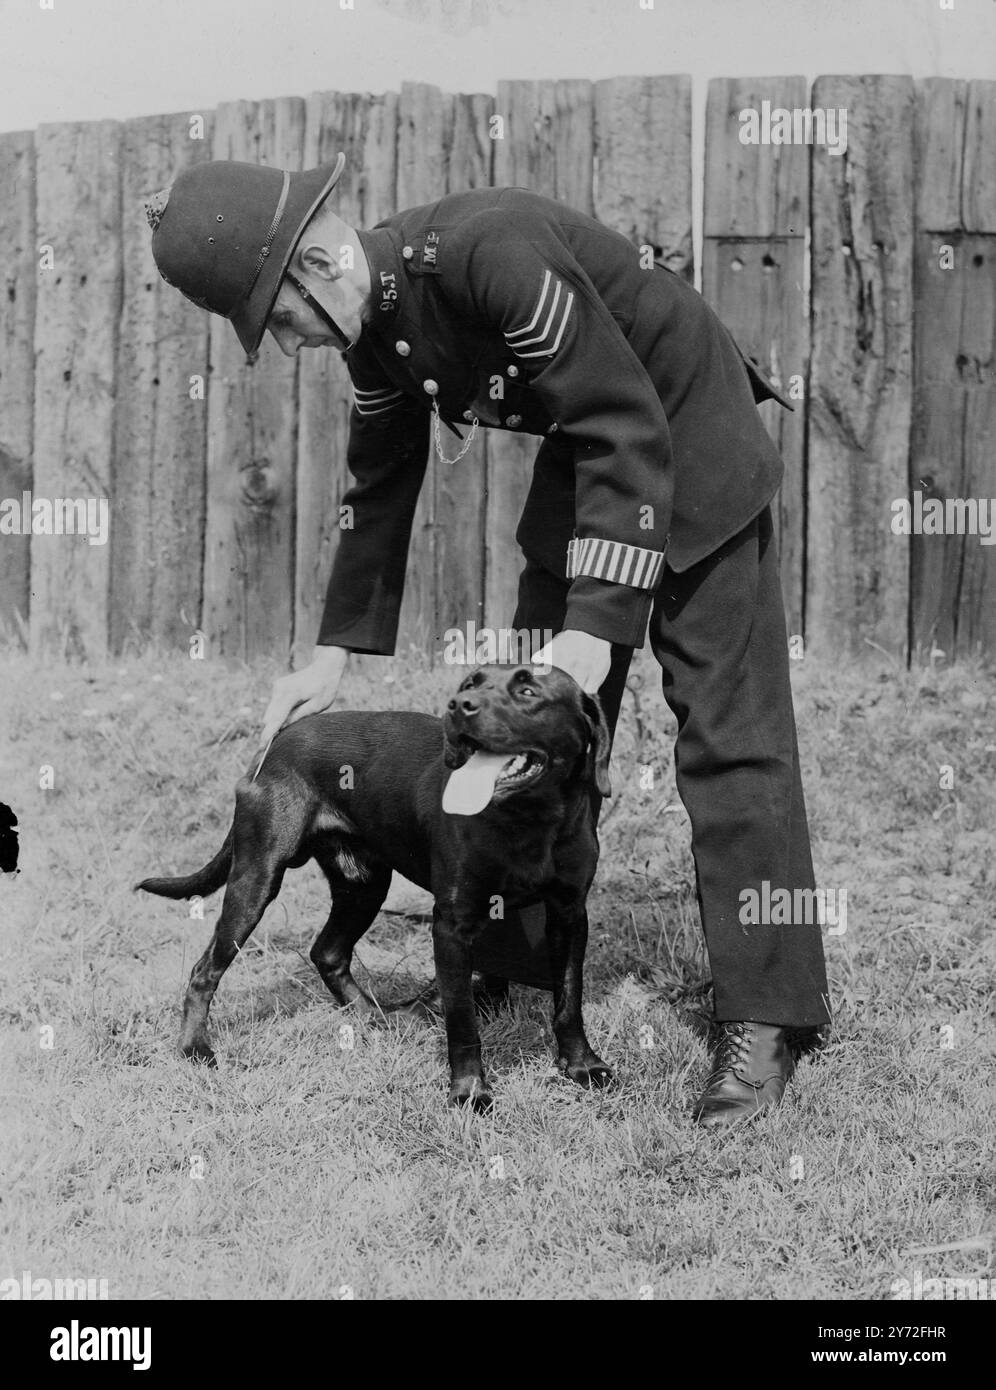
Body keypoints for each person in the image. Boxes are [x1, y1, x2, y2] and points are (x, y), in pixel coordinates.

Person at [147, 153, 831, 1129]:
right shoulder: (373, 331)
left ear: (317, 264)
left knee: (732, 740)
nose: (290, 344)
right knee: (518, 733)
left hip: (684, 426)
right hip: (592, 459)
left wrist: (596, 633)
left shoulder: (488, 251)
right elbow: (378, 484)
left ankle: (770, 1015)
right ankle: (508, 963)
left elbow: (623, 419)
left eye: (281, 322)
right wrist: (331, 655)